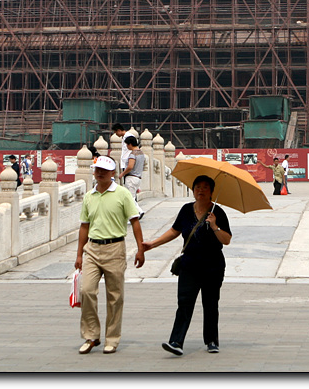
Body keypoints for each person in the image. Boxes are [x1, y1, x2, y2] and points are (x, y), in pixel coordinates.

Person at [141, 175, 232, 356]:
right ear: (193, 190)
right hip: (189, 265)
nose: (201, 190)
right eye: (197, 187)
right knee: (184, 302)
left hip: (213, 265)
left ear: (211, 192)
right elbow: (175, 231)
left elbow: (227, 240)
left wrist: (214, 226)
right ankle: (176, 341)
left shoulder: (217, 213)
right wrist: (153, 244)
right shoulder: (185, 210)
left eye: (205, 187)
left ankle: (212, 340)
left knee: (211, 303)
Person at [75, 155, 145, 355]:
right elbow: (84, 226)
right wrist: (79, 254)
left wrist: (140, 249)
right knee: (87, 290)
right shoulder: (89, 196)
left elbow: (135, 222)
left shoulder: (123, 194)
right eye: (97, 170)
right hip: (92, 249)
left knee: (115, 296)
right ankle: (91, 335)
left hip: (115, 248)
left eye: (103, 171)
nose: (99, 174)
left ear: (112, 173)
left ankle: (112, 338)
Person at [122, 135, 145, 220]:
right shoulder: (141, 153)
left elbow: (130, 167)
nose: (127, 147)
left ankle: (139, 211)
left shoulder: (133, 154)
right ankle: (136, 212)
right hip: (138, 178)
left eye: (127, 145)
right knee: (132, 197)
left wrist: (122, 174)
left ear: (130, 144)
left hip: (131, 178)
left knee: (130, 198)